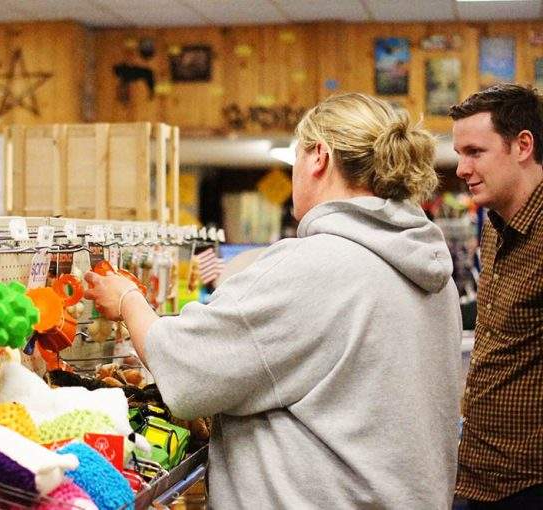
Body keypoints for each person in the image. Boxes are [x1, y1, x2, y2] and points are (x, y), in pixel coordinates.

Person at [85, 93, 462, 509]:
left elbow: (189, 369)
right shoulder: (430, 269)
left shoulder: (315, 264)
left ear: (319, 156)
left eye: (296, 156)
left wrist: (127, 299)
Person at [450, 84, 543, 509]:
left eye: (474, 151)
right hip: (480, 473)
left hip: (529, 482)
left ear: (523, 145)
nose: (460, 168)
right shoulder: (496, 220)